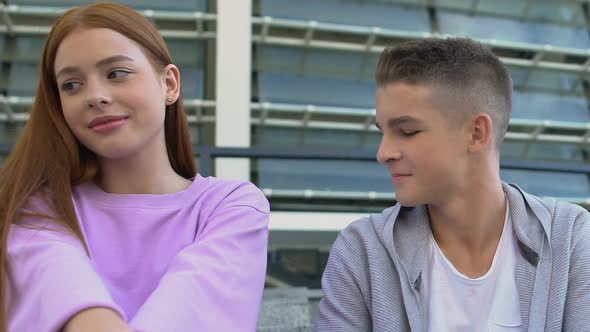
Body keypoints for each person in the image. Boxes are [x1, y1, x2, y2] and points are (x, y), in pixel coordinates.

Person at [0, 3, 269, 331]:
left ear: (169, 84)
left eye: (116, 73)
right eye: (71, 84)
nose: (95, 96)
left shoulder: (231, 207)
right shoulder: (38, 208)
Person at [314, 38, 590, 331]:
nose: (384, 153)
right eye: (383, 132)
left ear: (476, 133)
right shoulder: (361, 250)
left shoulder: (570, 239)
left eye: (407, 131)